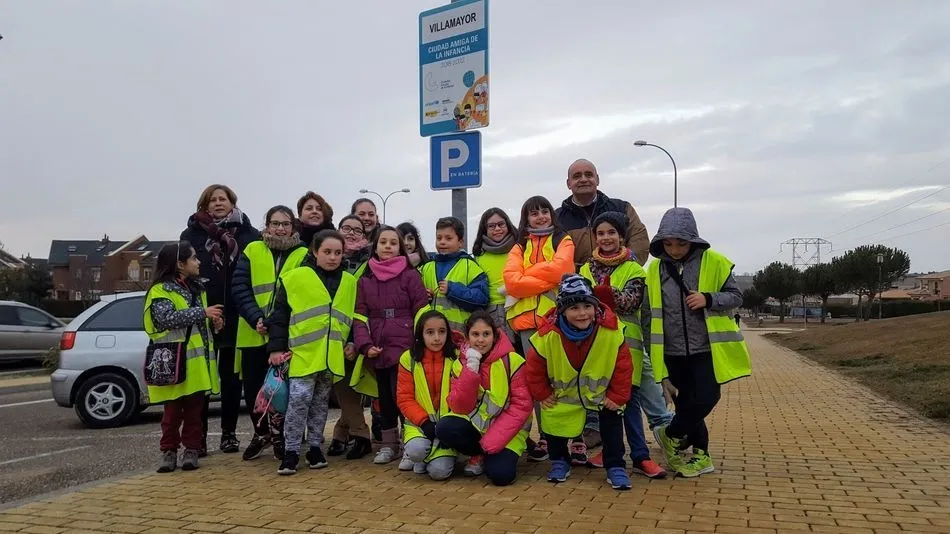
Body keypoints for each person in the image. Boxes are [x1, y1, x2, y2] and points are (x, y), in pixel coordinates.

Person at [643, 207, 750, 477]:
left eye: (681, 243)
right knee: (686, 404)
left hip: (706, 348)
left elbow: (736, 297)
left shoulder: (715, 261)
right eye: (668, 243)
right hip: (671, 351)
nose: (675, 249)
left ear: (693, 239)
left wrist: (709, 299)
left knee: (707, 396)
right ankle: (702, 456)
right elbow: (648, 314)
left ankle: (669, 434)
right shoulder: (654, 269)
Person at [525, 274, 633, 490]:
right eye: (574, 308)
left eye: (587, 306)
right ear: (562, 310)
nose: (582, 313)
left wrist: (618, 396)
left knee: (612, 426)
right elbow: (534, 368)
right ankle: (559, 461)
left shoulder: (611, 332)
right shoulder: (547, 335)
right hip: (562, 395)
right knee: (554, 423)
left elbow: (624, 367)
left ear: (595, 307)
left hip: (602, 395)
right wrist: (542, 394)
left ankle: (615, 466)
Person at [578, 211, 666, 478]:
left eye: (611, 233)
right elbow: (575, 303)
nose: (606, 238)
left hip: (628, 348)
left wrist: (600, 295)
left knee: (630, 403)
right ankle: (610, 450)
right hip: (595, 347)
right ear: (595, 238)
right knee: (604, 404)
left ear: (622, 236)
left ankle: (640, 455)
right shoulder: (584, 268)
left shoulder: (634, 268)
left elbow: (631, 302)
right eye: (601, 233)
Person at [267, 230, 358, 475]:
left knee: (320, 405)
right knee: (298, 401)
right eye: (327, 252)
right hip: (303, 354)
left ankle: (315, 448)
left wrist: (351, 342)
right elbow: (280, 316)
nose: (332, 257)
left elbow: (350, 317)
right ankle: (291, 451)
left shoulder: (349, 281)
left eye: (338, 253)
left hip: (331, 356)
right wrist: (276, 348)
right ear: (315, 252)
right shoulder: (294, 278)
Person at [180, 184, 258, 455]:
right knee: (201, 379)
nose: (217, 203)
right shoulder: (190, 235)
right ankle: (197, 438)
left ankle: (229, 434)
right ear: (204, 205)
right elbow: (184, 275)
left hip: (237, 314)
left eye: (222, 199)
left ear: (232, 202)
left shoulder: (249, 234)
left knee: (231, 378)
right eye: (211, 200)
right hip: (202, 313)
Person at [231, 205, 307, 462]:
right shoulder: (252, 250)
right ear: (267, 225)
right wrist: (256, 318)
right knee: (254, 390)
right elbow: (239, 288)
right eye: (275, 223)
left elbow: (301, 293)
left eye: (285, 224)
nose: (280, 228)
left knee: (281, 390)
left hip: (285, 335)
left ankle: (279, 436)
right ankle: (260, 432)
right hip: (252, 332)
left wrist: (273, 322)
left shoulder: (303, 254)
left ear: (293, 227)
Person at [503, 196, 575, 462]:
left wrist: (527, 274)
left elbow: (563, 271)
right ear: (526, 219)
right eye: (534, 213)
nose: (541, 216)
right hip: (524, 326)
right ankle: (546, 437)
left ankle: (571, 437)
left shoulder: (563, 240)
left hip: (554, 321)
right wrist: (542, 277)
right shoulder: (518, 246)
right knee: (537, 383)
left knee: (562, 380)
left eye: (545, 211)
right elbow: (511, 283)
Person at [353, 225, 430, 466]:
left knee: (405, 397)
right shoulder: (366, 280)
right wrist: (365, 345)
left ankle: (411, 445)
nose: (388, 246)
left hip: (406, 346)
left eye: (393, 243)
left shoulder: (410, 275)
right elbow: (360, 316)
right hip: (378, 347)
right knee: (384, 399)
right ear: (375, 246)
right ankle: (389, 445)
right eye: (383, 242)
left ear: (400, 248)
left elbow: (421, 311)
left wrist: (419, 343)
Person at [145, 242, 221, 473]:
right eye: (194, 258)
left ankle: (191, 450)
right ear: (180, 264)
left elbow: (200, 324)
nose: (198, 262)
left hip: (196, 363)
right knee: (171, 412)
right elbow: (165, 319)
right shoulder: (160, 290)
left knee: (194, 412)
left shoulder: (198, 289)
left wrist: (214, 322)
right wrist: (202, 312)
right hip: (172, 361)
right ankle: (168, 452)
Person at [436, 310, 532, 486]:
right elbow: (459, 407)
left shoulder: (513, 361)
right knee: (445, 427)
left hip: (508, 430)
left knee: (501, 476)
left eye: (486, 334)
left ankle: (489, 454)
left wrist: (492, 441)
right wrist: (470, 371)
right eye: (475, 334)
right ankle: (478, 454)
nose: (481, 340)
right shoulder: (460, 364)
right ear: (467, 337)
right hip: (477, 425)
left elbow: (522, 406)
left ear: (494, 336)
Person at [325, 214, 375, 458]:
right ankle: (341, 432)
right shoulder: (325, 258)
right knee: (340, 387)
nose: (351, 233)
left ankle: (359, 434)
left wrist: (356, 339)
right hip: (328, 334)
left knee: (348, 386)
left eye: (358, 230)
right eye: (346, 228)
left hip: (358, 333)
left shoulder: (370, 264)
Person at [396, 310, 458, 480]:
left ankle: (432, 456)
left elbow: (464, 397)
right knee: (416, 450)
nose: (437, 338)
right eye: (430, 332)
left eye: (442, 332)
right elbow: (404, 398)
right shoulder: (408, 358)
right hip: (419, 425)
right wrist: (424, 422)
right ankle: (419, 455)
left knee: (439, 473)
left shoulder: (457, 357)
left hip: (446, 426)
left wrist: (448, 427)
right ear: (420, 334)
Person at [555, 159, 650, 268]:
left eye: (588, 174)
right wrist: (582, 275)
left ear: (597, 179)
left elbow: (639, 241)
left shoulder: (623, 208)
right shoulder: (556, 218)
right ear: (568, 184)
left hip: (619, 282)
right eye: (577, 176)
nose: (583, 179)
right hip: (573, 282)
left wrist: (620, 270)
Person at [417, 216, 490, 332]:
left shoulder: (470, 266)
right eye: (439, 238)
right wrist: (424, 296)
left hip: (461, 335)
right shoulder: (426, 268)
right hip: (433, 336)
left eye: (448, 238)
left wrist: (452, 289)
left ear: (460, 242)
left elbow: (482, 298)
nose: (442, 242)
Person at [471, 208, 518, 344]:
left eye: (501, 224)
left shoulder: (520, 248)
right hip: (491, 311)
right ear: (484, 230)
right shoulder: (478, 256)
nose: (497, 229)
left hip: (520, 306)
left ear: (508, 225)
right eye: (491, 226)